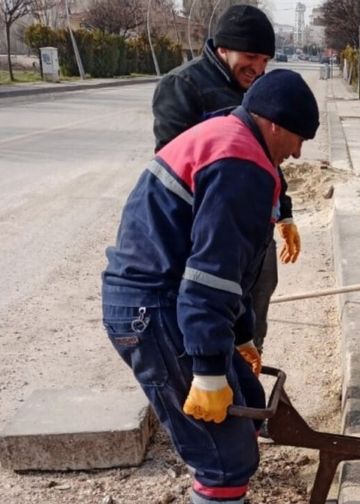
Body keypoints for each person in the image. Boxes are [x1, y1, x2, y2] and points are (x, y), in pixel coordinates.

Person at [102, 69, 319, 504]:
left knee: (248, 400)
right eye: (299, 139)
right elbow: (209, 278)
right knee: (225, 458)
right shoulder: (241, 165)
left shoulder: (231, 136)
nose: (297, 153)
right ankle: (221, 488)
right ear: (275, 124)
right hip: (153, 307)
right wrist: (207, 370)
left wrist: (241, 335)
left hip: (164, 297)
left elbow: (226, 269)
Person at [152, 3, 299, 354]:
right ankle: (207, 376)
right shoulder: (183, 86)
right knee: (209, 317)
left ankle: (246, 374)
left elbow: (269, 155)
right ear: (223, 48)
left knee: (253, 316)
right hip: (210, 235)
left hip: (254, 229)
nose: (258, 68)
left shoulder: (257, 90)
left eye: (265, 60)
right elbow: (176, 168)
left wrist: (284, 211)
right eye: (251, 57)